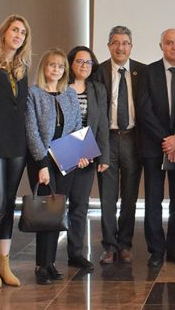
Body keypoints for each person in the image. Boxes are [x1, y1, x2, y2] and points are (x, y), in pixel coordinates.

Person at [25, 49, 90, 284]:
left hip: (66, 156)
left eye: (61, 66)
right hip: (42, 160)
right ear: (44, 67)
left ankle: (51, 263)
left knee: (57, 211)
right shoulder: (33, 93)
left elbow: (76, 126)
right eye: (52, 65)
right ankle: (41, 265)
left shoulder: (69, 94)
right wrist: (42, 164)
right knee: (45, 212)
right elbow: (32, 131)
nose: (56, 69)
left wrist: (80, 153)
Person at [0, 14, 31, 289]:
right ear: (4, 32)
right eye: (15, 30)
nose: (18, 35)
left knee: (9, 204)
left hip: (17, 143)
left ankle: (4, 262)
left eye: (23, 32)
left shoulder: (22, 68)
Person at [135, 28, 175, 267]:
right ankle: (156, 250)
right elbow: (144, 110)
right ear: (161, 46)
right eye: (169, 43)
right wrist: (167, 140)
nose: (174, 47)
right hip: (154, 146)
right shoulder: (148, 73)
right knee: (153, 200)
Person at [94, 26, 145, 265]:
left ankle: (125, 244)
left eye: (125, 43)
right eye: (115, 42)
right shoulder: (98, 71)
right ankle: (109, 246)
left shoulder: (142, 72)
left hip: (133, 139)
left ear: (131, 47)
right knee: (107, 197)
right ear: (108, 46)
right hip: (107, 140)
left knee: (129, 196)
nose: (120, 47)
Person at [65, 45, 110, 272]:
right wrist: (74, 151)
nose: (84, 66)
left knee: (80, 206)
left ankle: (76, 253)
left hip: (87, 153)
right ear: (70, 63)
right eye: (79, 61)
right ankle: (46, 259)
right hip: (61, 151)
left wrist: (102, 155)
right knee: (55, 204)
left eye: (88, 62)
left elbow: (101, 123)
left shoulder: (97, 89)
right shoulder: (60, 86)